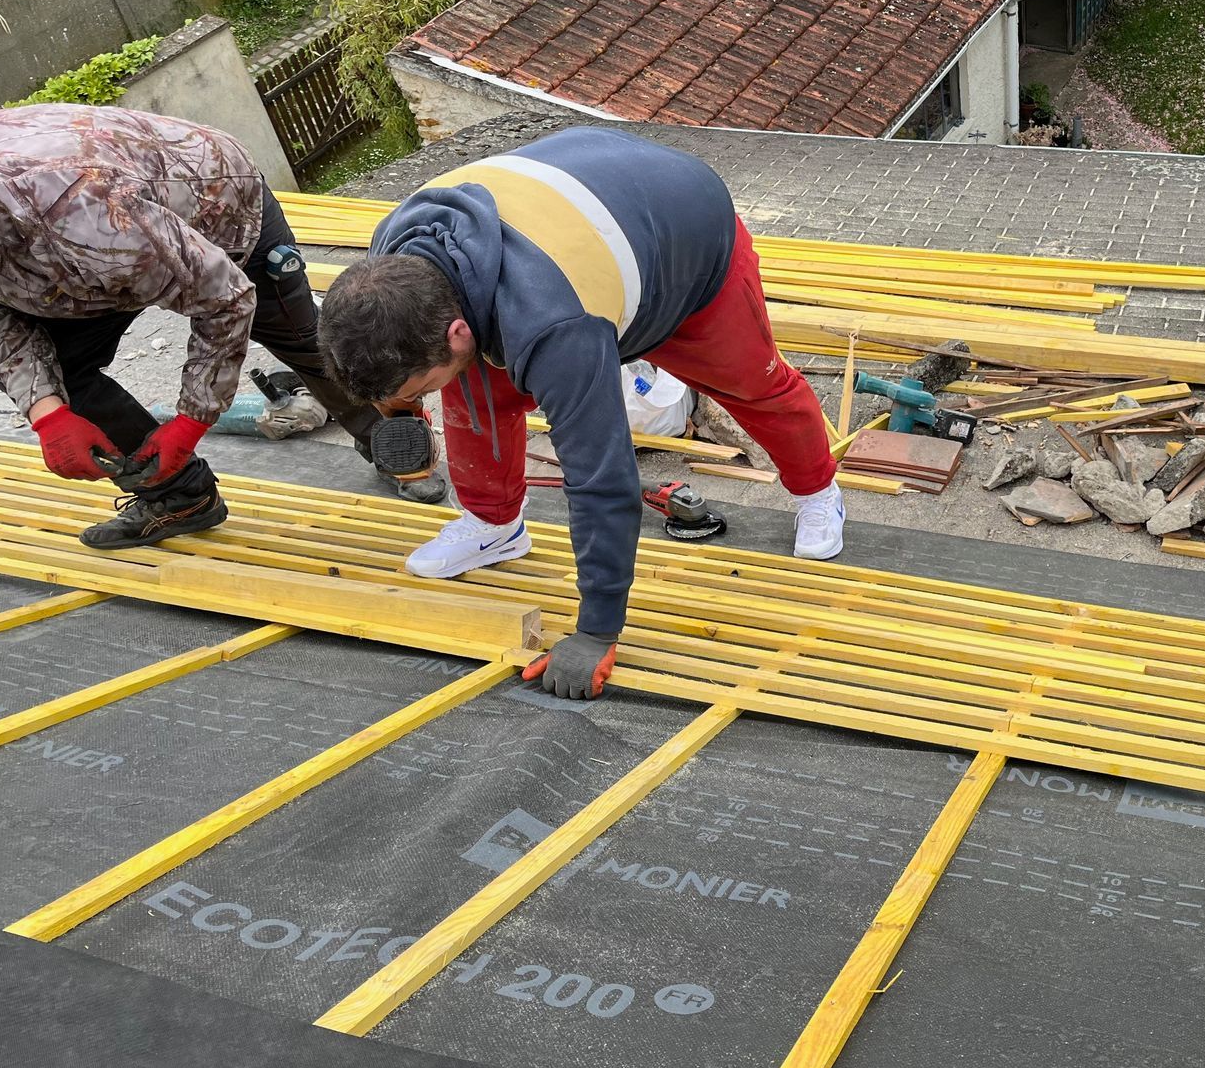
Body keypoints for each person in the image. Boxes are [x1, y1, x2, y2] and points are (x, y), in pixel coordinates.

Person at [318, 126, 845, 702]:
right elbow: (441, 358)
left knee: (751, 382)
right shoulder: (396, 256)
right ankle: (495, 527)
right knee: (473, 391)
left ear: (458, 330)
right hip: (579, 204)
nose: (416, 404)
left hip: (685, 234)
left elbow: (601, 478)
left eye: (417, 390)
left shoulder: (553, 324)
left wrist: (597, 630)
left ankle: (818, 491)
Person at [0, 105, 447, 549]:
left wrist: (192, 420)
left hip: (216, 208)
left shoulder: (74, 214)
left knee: (307, 341)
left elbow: (224, 301)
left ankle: (388, 430)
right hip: (80, 246)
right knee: (59, 377)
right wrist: (46, 411)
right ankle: (178, 494)